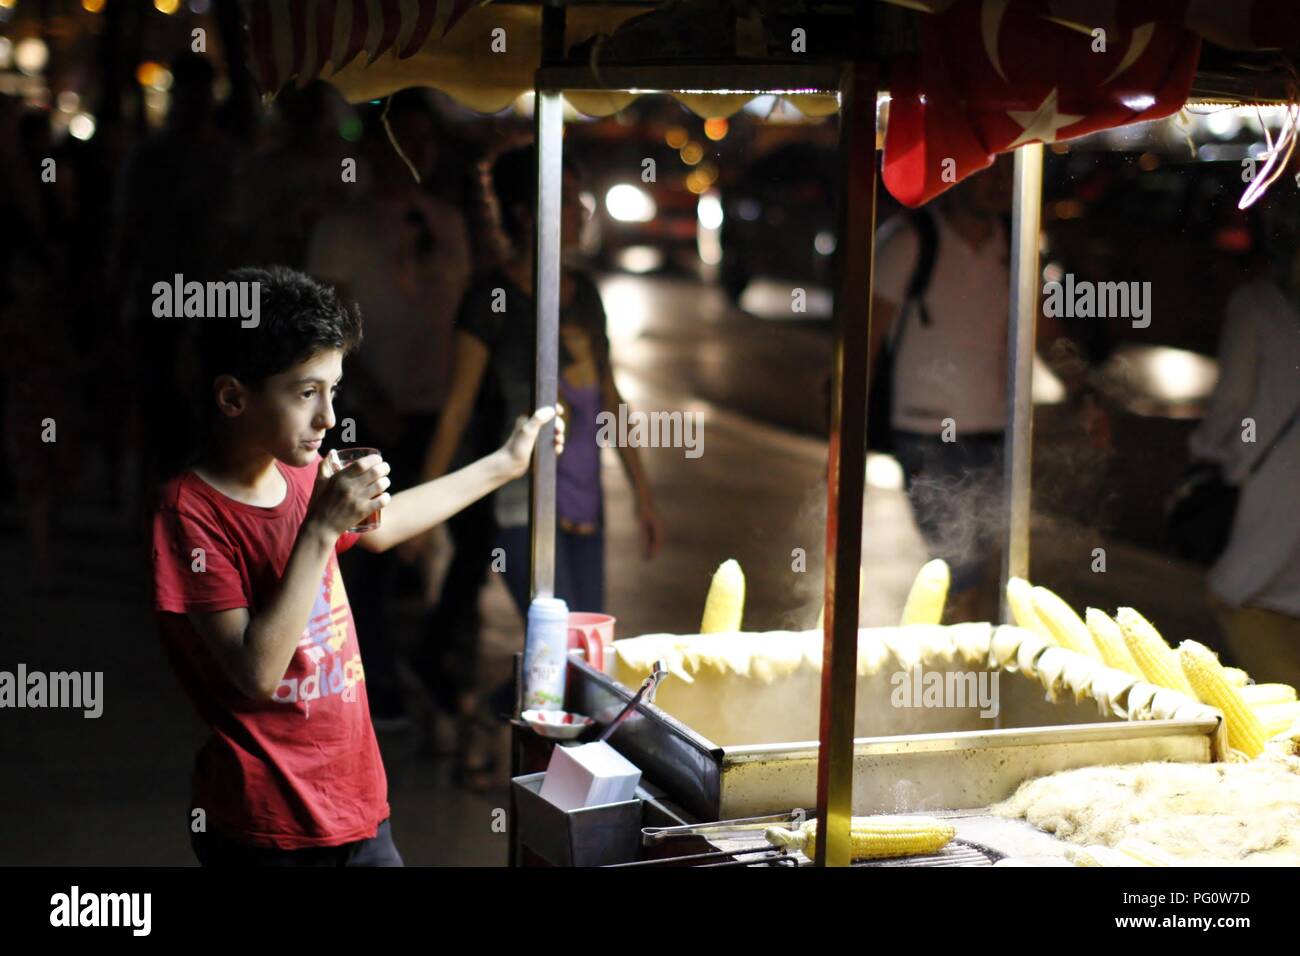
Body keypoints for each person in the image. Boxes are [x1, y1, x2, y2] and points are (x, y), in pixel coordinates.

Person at [150, 266, 562, 865]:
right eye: (305, 392)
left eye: (334, 390)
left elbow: (382, 527)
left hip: (356, 801)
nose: (327, 418)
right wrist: (319, 527)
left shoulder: (299, 467)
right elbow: (256, 671)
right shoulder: (189, 514)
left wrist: (505, 463)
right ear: (234, 397)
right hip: (264, 826)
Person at [418, 145, 663, 787]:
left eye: (582, 199)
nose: (580, 213)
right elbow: (457, 409)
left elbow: (611, 398)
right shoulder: (491, 298)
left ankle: (513, 738)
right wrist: (418, 513)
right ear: (528, 213)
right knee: (557, 652)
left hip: (584, 497)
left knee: (585, 654)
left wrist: (641, 492)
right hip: (519, 501)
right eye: (568, 199)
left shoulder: (585, 296)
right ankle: (493, 726)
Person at [869, 159, 1103, 623]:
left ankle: (956, 658)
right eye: (987, 174)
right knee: (959, 563)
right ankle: (951, 669)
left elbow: (1042, 329)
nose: (999, 185)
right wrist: (839, 430)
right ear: (956, 177)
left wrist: (1083, 390)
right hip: (925, 429)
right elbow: (868, 336)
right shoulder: (911, 241)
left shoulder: (1014, 247)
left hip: (995, 428)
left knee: (981, 558)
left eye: (1005, 176)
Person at [306, 91, 473, 726]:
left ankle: (434, 661)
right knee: (369, 548)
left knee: (458, 541)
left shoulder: (446, 222)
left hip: (441, 404)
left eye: (423, 143)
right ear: (375, 148)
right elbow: (329, 327)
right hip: (371, 411)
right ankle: (376, 686)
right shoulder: (344, 225)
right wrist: (370, 398)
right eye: (399, 141)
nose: (412, 156)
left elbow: (463, 317)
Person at [1189, 226, 1300, 687]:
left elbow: (1232, 400)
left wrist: (1207, 451)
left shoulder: (1254, 305)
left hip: (1271, 485)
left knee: (1239, 594)